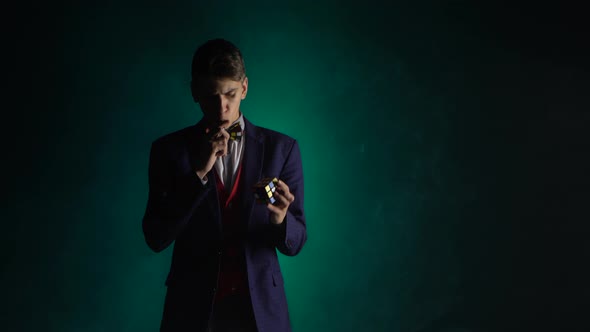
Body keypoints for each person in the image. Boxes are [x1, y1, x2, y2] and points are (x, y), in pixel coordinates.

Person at [142, 38, 307, 332]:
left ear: (244, 87)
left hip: (261, 311)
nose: (222, 107)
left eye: (230, 93)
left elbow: (296, 241)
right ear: (194, 92)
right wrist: (200, 171)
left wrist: (281, 219)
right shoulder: (168, 151)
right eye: (211, 96)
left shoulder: (282, 149)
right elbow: (156, 236)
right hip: (192, 310)